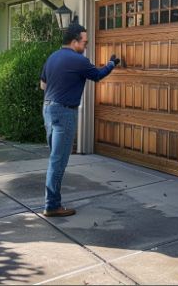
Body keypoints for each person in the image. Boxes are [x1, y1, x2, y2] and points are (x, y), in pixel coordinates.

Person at [39, 22, 120, 217]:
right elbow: (98, 75)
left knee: (54, 159)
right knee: (58, 161)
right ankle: (52, 206)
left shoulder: (52, 57)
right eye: (84, 42)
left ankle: (52, 202)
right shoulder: (78, 60)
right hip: (65, 113)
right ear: (75, 41)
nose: (86, 46)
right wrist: (111, 64)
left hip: (48, 109)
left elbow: (43, 85)